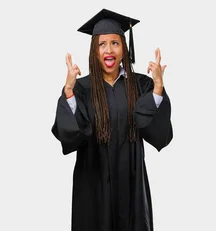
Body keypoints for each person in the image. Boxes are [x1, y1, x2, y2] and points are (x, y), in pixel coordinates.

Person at [51, 8, 173, 231]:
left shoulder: (140, 85)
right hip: (93, 182)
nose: (109, 50)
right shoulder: (82, 88)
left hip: (131, 182)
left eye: (115, 43)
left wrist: (157, 88)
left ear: (124, 49)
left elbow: (156, 131)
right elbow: (70, 135)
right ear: (94, 51)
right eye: (102, 44)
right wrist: (68, 91)